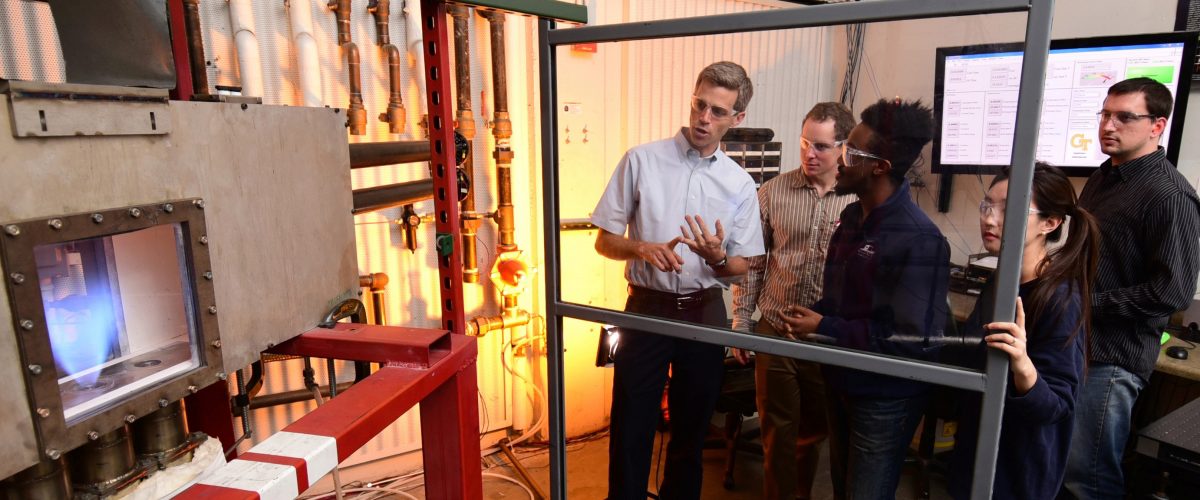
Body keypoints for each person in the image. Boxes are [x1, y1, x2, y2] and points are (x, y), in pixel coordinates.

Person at [591, 61, 765, 500]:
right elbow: (605, 242)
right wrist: (640, 248)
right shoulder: (641, 160)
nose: (705, 118)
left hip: (705, 310)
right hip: (646, 309)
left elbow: (742, 266)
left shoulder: (741, 184)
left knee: (691, 428)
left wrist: (718, 257)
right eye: (700, 105)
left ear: (737, 119)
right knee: (631, 425)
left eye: (718, 112)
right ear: (692, 98)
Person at [780, 98, 950, 499]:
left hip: (884, 398)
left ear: (880, 167)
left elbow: (910, 340)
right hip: (842, 380)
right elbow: (842, 301)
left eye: (851, 152)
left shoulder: (919, 239)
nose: (840, 159)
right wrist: (816, 315)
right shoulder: (853, 218)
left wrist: (825, 326)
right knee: (844, 487)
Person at [1061, 77, 1200, 499]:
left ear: (1157, 126)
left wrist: (1088, 304)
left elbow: (1172, 292)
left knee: (1088, 479)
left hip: (1112, 359)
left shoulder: (1169, 195)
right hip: (1075, 346)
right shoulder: (1106, 176)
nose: (1109, 125)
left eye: (1125, 117)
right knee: (1061, 467)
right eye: (1105, 114)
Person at [948, 163, 1099, 499]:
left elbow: (1057, 405)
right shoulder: (1001, 281)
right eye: (988, 205)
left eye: (1009, 208)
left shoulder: (1059, 297)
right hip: (977, 450)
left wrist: (1023, 365)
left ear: (1050, 223)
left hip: (1017, 470)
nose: (989, 218)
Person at [730, 101, 856, 500]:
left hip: (827, 337)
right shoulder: (773, 192)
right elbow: (753, 264)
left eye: (820, 146)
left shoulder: (857, 199)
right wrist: (742, 323)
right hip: (776, 327)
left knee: (815, 432)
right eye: (804, 143)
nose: (809, 154)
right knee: (776, 431)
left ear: (843, 147)